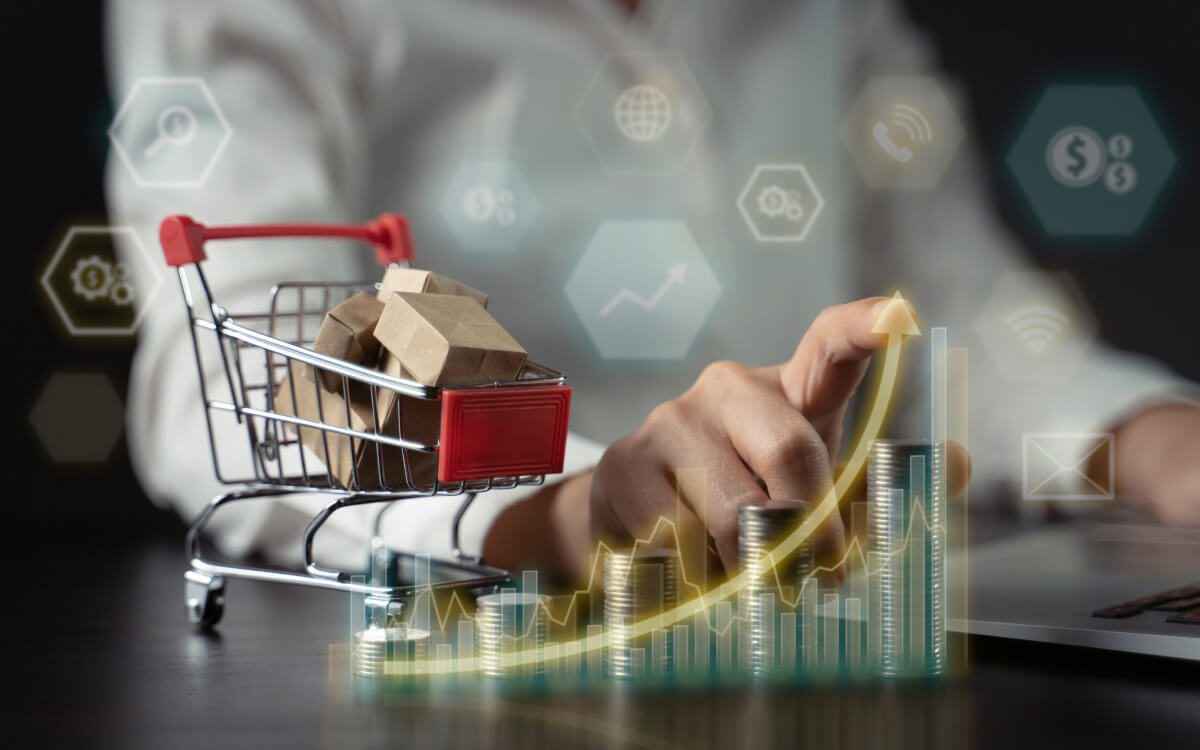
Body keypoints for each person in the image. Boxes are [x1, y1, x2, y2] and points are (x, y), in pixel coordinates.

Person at [106, 0, 1199, 584]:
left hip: (797, 594)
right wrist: (572, 507)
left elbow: (963, 310)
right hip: (489, 637)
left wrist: (1162, 441)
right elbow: (228, 369)